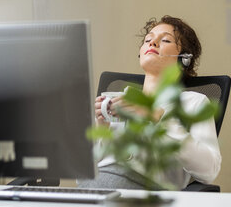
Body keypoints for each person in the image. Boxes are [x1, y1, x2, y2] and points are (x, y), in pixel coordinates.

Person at [78, 15, 221, 190]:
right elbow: (81, 177)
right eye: (148, 39)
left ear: (184, 58)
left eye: (166, 40)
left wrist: (157, 118)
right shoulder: (117, 100)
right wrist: (101, 128)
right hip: (93, 189)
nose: (152, 43)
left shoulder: (194, 103)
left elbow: (209, 170)